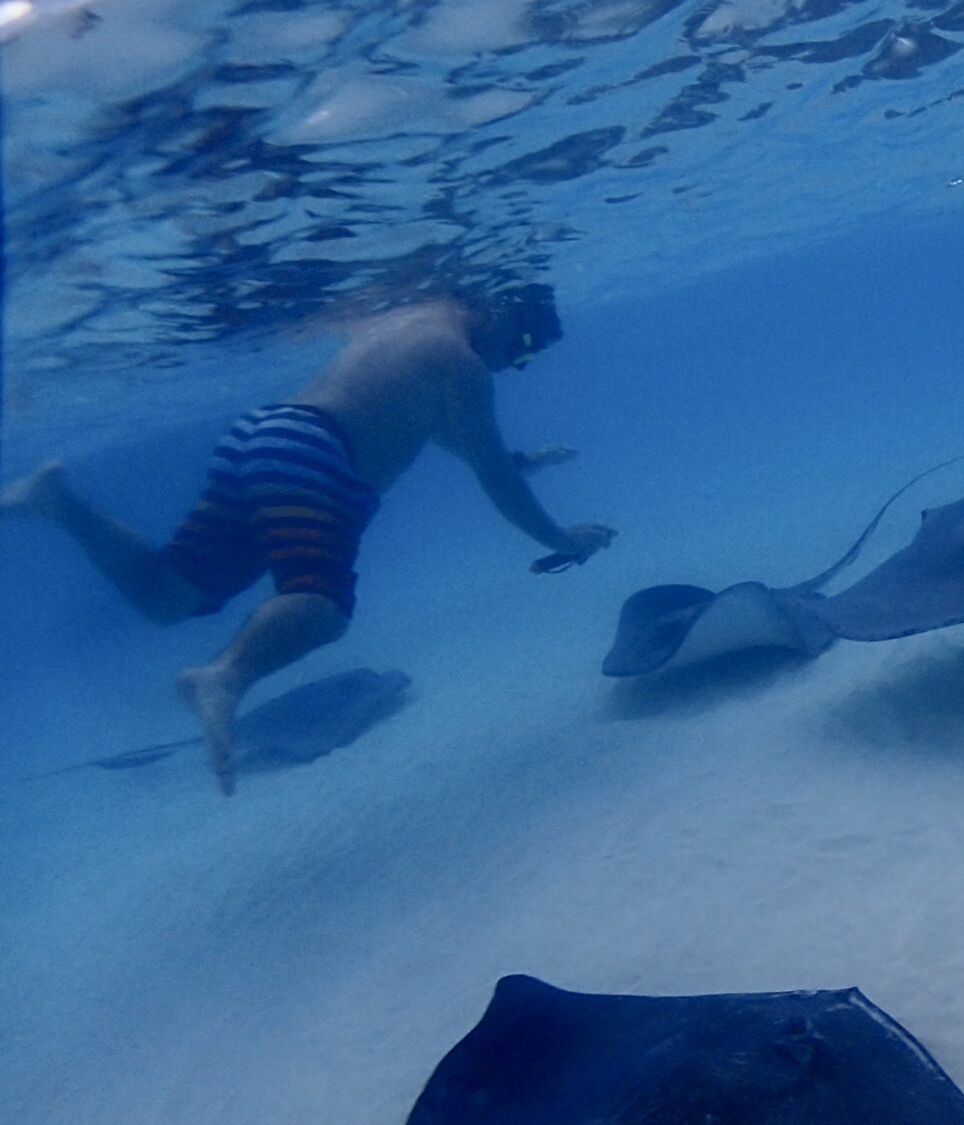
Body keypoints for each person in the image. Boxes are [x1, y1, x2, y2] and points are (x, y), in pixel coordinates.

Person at [0, 284, 612, 792]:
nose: (518, 362)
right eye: (525, 345)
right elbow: (494, 481)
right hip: (321, 459)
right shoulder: (463, 362)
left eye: (533, 358)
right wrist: (561, 541)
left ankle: (60, 504)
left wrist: (520, 459)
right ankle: (226, 677)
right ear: (499, 307)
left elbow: (433, 428)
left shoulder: (410, 318)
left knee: (166, 594)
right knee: (320, 604)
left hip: (267, 437)